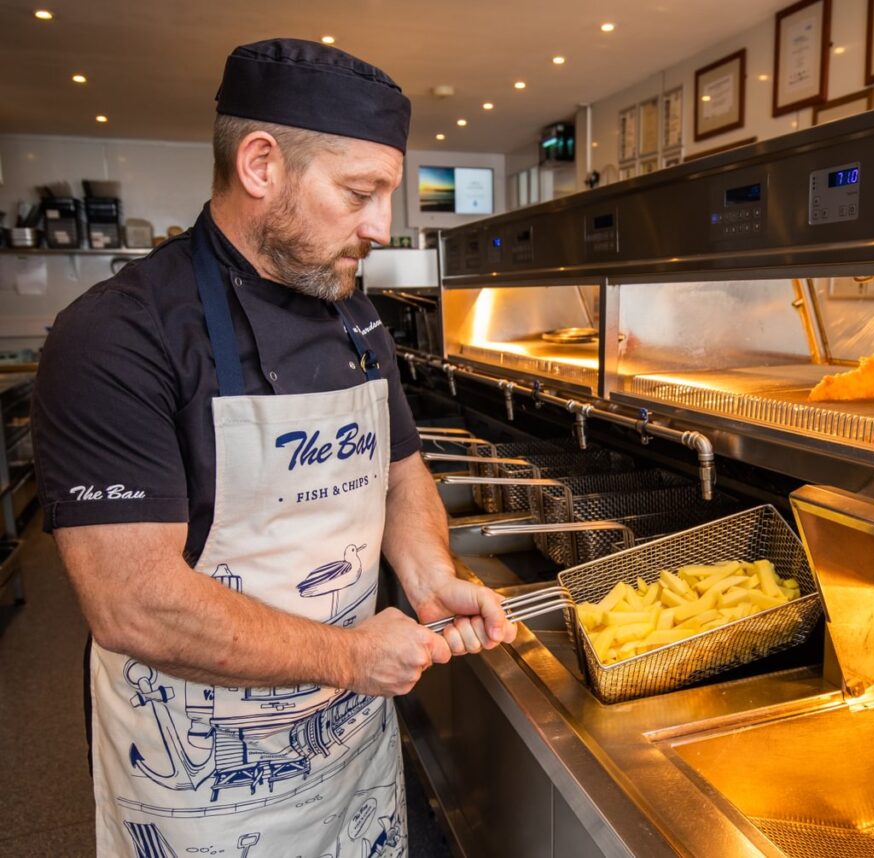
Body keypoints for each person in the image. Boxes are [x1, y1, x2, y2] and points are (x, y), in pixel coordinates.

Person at [31, 37, 516, 857]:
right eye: (361, 192)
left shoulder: (357, 318)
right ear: (261, 165)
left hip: (350, 753)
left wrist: (431, 576)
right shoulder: (117, 336)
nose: (381, 227)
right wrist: (352, 656)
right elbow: (131, 601)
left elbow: (399, 472)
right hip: (200, 786)